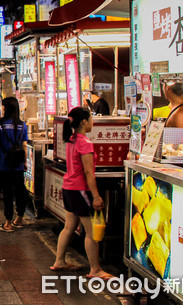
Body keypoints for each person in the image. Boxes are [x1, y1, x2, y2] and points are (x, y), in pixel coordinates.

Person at [51, 107, 113, 280]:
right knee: (91, 232)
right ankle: (95, 269)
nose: (92, 121)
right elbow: (88, 173)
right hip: (80, 190)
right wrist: (96, 196)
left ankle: (59, 261)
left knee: (69, 226)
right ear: (84, 121)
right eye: (91, 118)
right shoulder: (85, 143)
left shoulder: (71, 139)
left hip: (68, 187)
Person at [0, 97, 28, 232]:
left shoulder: (0, 124)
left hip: (5, 164)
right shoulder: (22, 124)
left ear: (6, 108)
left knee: (7, 192)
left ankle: (7, 223)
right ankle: (19, 219)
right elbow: (24, 145)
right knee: (20, 191)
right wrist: (24, 162)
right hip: (18, 163)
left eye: (3, 106)